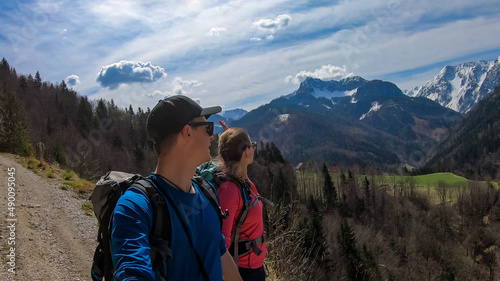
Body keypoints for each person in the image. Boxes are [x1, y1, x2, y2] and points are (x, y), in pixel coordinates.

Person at [111, 95, 242, 281]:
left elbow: (219, 253)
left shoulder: (207, 191)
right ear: (187, 132)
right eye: (207, 128)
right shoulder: (135, 206)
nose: (212, 136)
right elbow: (132, 271)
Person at [217, 128, 267, 281]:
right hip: (244, 272)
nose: (254, 148)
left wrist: (231, 137)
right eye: (252, 145)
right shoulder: (230, 191)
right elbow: (221, 244)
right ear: (246, 151)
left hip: (254, 266)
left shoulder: (243, 181)